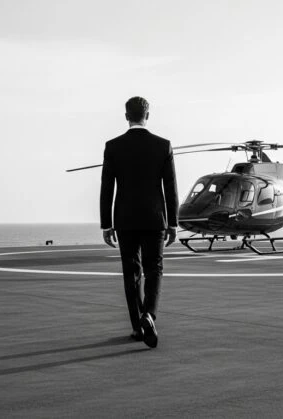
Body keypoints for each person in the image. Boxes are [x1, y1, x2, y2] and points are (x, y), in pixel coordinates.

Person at [100, 96, 179, 348]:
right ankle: (149, 315)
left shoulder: (113, 146)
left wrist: (106, 223)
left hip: (124, 219)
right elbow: (171, 189)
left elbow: (107, 188)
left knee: (131, 272)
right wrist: (173, 222)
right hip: (155, 219)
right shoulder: (163, 145)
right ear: (148, 115)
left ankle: (137, 327)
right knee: (154, 268)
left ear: (126, 116)